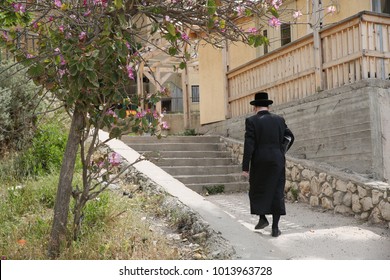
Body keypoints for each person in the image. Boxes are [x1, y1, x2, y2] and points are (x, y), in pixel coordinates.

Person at [242, 92, 294, 237]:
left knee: (258, 190)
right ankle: (275, 228)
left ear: (255, 107)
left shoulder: (251, 121)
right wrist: (281, 150)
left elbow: (249, 145)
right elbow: (290, 136)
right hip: (277, 160)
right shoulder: (279, 119)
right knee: (277, 191)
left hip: (259, 161)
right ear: (268, 106)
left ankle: (262, 218)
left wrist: (245, 167)